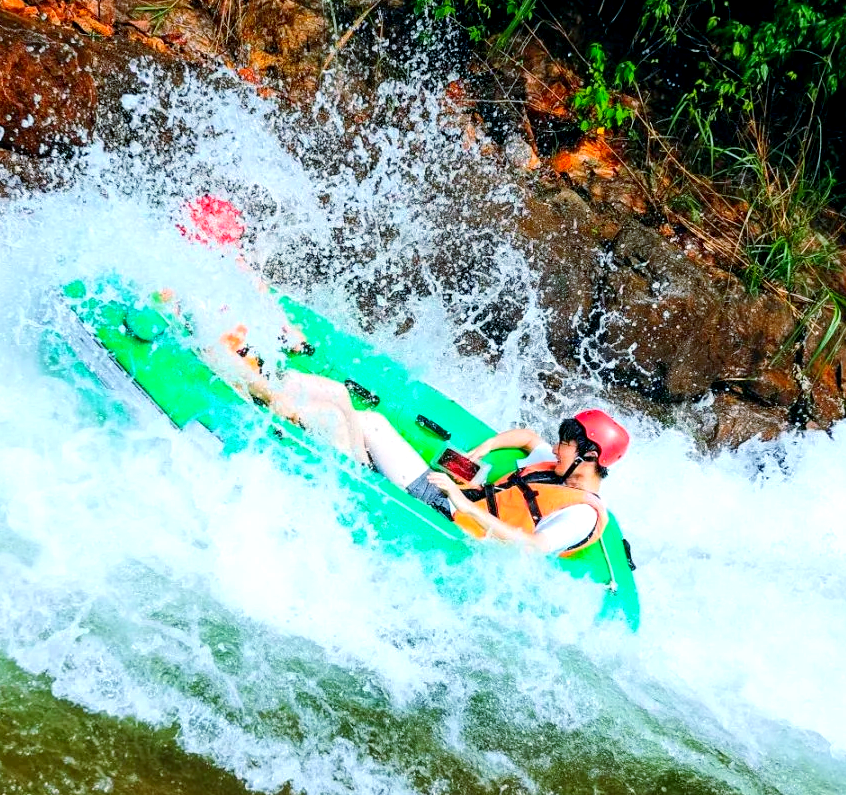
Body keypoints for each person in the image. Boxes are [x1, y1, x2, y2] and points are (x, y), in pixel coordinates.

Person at [177, 194, 372, 465]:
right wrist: (273, 396)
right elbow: (218, 357)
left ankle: (365, 468)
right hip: (239, 385)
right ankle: (355, 481)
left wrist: (287, 331)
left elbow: (268, 307)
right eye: (227, 245)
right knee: (332, 417)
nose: (236, 251)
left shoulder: (234, 269)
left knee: (339, 392)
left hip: (262, 373)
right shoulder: (193, 296)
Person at [355, 408, 630, 555]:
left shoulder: (580, 515)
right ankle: (365, 465)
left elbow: (533, 547)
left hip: (451, 522)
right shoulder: (562, 469)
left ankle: (360, 468)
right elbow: (527, 438)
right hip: (455, 501)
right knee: (369, 425)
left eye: (565, 445)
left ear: (590, 456)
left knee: (368, 423)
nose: (556, 450)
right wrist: (488, 446)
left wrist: (466, 506)